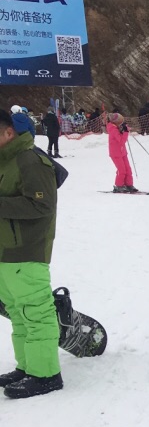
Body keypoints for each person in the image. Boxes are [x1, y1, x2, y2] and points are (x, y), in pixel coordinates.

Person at [0, 105, 62, 399]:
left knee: (35, 313)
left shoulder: (30, 160)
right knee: (17, 313)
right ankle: (28, 367)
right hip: (4, 252)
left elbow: (42, 205)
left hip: (26, 250)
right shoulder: (6, 160)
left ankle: (46, 374)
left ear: (8, 132)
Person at [105, 112, 137, 193]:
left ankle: (129, 184)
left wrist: (123, 129)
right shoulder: (112, 129)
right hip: (116, 153)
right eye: (121, 122)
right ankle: (119, 185)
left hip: (122, 152)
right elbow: (121, 141)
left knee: (128, 169)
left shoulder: (116, 127)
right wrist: (125, 132)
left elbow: (121, 136)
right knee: (121, 170)